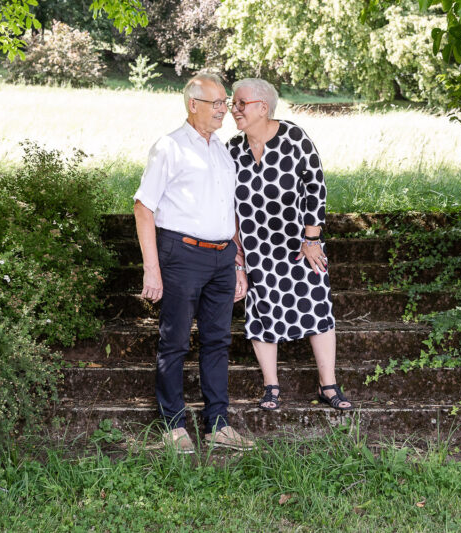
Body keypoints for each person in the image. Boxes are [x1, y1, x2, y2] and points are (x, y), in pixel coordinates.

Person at [133, 73, 253, 453]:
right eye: (216, 103)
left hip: (222, 257)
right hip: (181, 254)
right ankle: (174, 428)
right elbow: (143, 207)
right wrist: (152, 268)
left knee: (218, 341)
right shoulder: (169, 147)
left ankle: (218, 425)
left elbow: (228, 209)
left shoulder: (221, 150)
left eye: (225, 103)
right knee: (175, 342)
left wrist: (237, 262)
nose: (223, 110)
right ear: (193, 104)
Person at [227, 78, 353, 412]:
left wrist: (312, 238)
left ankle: (328, 385)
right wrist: (238, 255)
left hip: (298, 244)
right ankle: (271, 386)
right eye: (232, 103)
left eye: (241, 103)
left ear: (262, 107)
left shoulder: (294, 137)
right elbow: (227, 204)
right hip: (255, 248)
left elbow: (315, 186)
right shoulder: (232, 148)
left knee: (316, 305)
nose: (234, 109)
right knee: (260, 313)